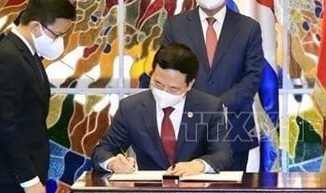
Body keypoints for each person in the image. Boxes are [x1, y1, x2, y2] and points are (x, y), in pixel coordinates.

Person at [160, 0, 263, 171]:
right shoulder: (175, 26)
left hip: (234, 130)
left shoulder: (248, 28)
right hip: (186, 130)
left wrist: (216, 108)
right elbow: (165, 74)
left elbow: (253, 76)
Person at [0, 0, 76, 193]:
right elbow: (5, 124)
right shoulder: (8, 59)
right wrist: (28, 178)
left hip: (26, 176)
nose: (60, 41)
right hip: (11, 181)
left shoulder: (27, 54)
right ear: (36, 27)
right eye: (57, 34)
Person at [91, 43, 232, 177]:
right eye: (158, 84)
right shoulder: (130, 107)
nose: (164, 92)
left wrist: (198, 165)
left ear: (190, 84)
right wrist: (113, 163)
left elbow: (223, 154)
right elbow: (103, 150)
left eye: (173, 89)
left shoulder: (209, 107)